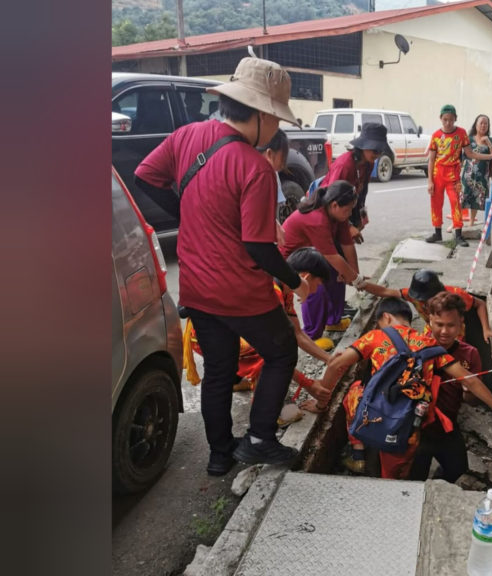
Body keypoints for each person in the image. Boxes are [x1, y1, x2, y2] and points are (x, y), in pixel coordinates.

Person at [134, 56, 309, 476]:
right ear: (262, 115)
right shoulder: (255, 168)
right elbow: (259, 247)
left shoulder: (186, 135)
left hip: (196, 288)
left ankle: (219, 455)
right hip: (241, 293)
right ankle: (260, 439)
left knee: (218, 370)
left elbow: (143, 175)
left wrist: (183, 210)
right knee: (282, 351)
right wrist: (295, 282)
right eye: (276, 118)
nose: (276, 127)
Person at [303, 297, 492, 480]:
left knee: (355, 390)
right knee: (398, 472)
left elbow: (335, 365)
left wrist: (322, 403)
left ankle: (359, 449)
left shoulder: (375, 337)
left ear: (386, 317)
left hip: (375, 417)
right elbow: (469, 380)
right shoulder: (429, 345)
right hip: (409, 425)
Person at [183, 247, 334, 401]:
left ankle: (234, 377)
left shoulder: (284, 289)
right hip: (207, 333)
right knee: (271, 352)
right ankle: (262, 402)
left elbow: (297, 333)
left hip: (225, 327)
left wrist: (329, 359)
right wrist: (308, 384)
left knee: (279, 342)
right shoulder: (271, 292)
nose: (315, 291)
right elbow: (270, 350)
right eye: (318, 285)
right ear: (305, 277)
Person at [409, 292, 492, 483]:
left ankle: (439, 484)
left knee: (457, 468)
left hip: (446, 425)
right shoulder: (416, 346)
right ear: (429, 320)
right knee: (414, 476)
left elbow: (471, 399)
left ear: (461, 322)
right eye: (439, 325)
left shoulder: (469, 354)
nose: (444, 331)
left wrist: (468, 393)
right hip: (415, 426)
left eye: (451, 325)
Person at [280, 180, 366, 350]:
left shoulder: (338, 215)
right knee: (314, 285)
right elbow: (332, 256)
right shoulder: (317, 219)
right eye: (348, 210)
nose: (349, 214)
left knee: (338, 274)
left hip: (312, 254)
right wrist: (356, 279)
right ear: (334, 205)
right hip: (292, 261)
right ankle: (312, 335)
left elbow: (347, 244)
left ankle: (333, 321)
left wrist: (355, 275)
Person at [362, 269, 492, 344]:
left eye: (428, 299)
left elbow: (480, 304)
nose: (424, 303)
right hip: (431, 331)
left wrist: (486, 330)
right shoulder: (413, 295)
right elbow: (385, 291)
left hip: (455, 334)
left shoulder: (455, 295)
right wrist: (359, 283)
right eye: (422, 300)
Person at [426, 104, 492, 247]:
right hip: (438, 174)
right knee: (436, 203)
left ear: (455, 119)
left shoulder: (462, 134)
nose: (448, 123)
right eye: (445, 119)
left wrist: (489, 157)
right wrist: (430, 181)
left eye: (451, 120)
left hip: (453, 175)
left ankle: (458, 235)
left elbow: (470, 153)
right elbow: (431, 159)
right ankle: (437, 233)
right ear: (440, 118)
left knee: (456, 202)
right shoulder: (436, 136)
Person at [320, 122, 390, 243]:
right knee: (336, 250)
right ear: (363, 146)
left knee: (348, 246)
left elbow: (362, 192)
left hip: (344, 212)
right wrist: (348, 226)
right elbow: (330, 200)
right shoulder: (345, 165)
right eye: (375, 150)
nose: (377, 155)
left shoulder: (369, 164)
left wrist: (360, 217)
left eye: (380, 151)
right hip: (328, 211)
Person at [461, 114, 492, 227]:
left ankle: (471, 222)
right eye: (481, 123)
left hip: (482, 176)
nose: (483, 125)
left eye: (486, 123)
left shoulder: (491, 140)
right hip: (468, 174)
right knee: (462, 197)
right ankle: (456, 222)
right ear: (476, 125)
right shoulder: (469, 139)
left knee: (476, 199)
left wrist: (489, 143)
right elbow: (464, 155)